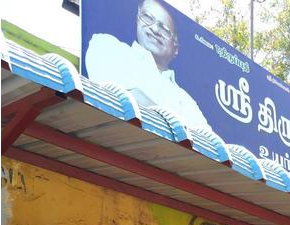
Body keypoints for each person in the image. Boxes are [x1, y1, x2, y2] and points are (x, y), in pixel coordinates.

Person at [85, 0, 211, 131]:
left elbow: (206, 140)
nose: (155, 29)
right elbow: (118, 98)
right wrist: (178, 127)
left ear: (176, 48)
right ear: (137, 19)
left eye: (164, 29)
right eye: (148, 18)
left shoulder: (187, 100)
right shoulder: (108, 45)